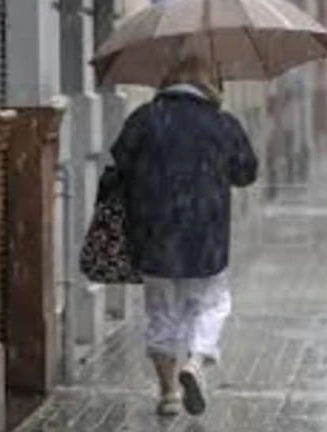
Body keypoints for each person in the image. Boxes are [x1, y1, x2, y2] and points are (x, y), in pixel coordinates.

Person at [110, 54, 258, 417]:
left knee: (161, 312)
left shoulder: (145, 118)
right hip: (206, 237)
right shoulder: (221, 123)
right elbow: (246, 173)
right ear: (208, 82)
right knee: (211, 303)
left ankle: (168, 394)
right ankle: (195, 360)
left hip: (154, 234)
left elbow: (120, 163)